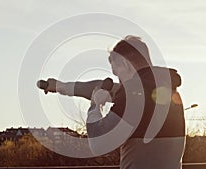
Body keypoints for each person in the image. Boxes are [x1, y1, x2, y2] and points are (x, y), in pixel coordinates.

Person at [40, 35, 185, 169]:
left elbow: (98, 144)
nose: (119, 81)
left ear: (124, 63)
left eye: (117, 73)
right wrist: (60, 87)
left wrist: (95, 106)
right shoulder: (167, 89)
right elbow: (96, 87)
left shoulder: (133, 94)